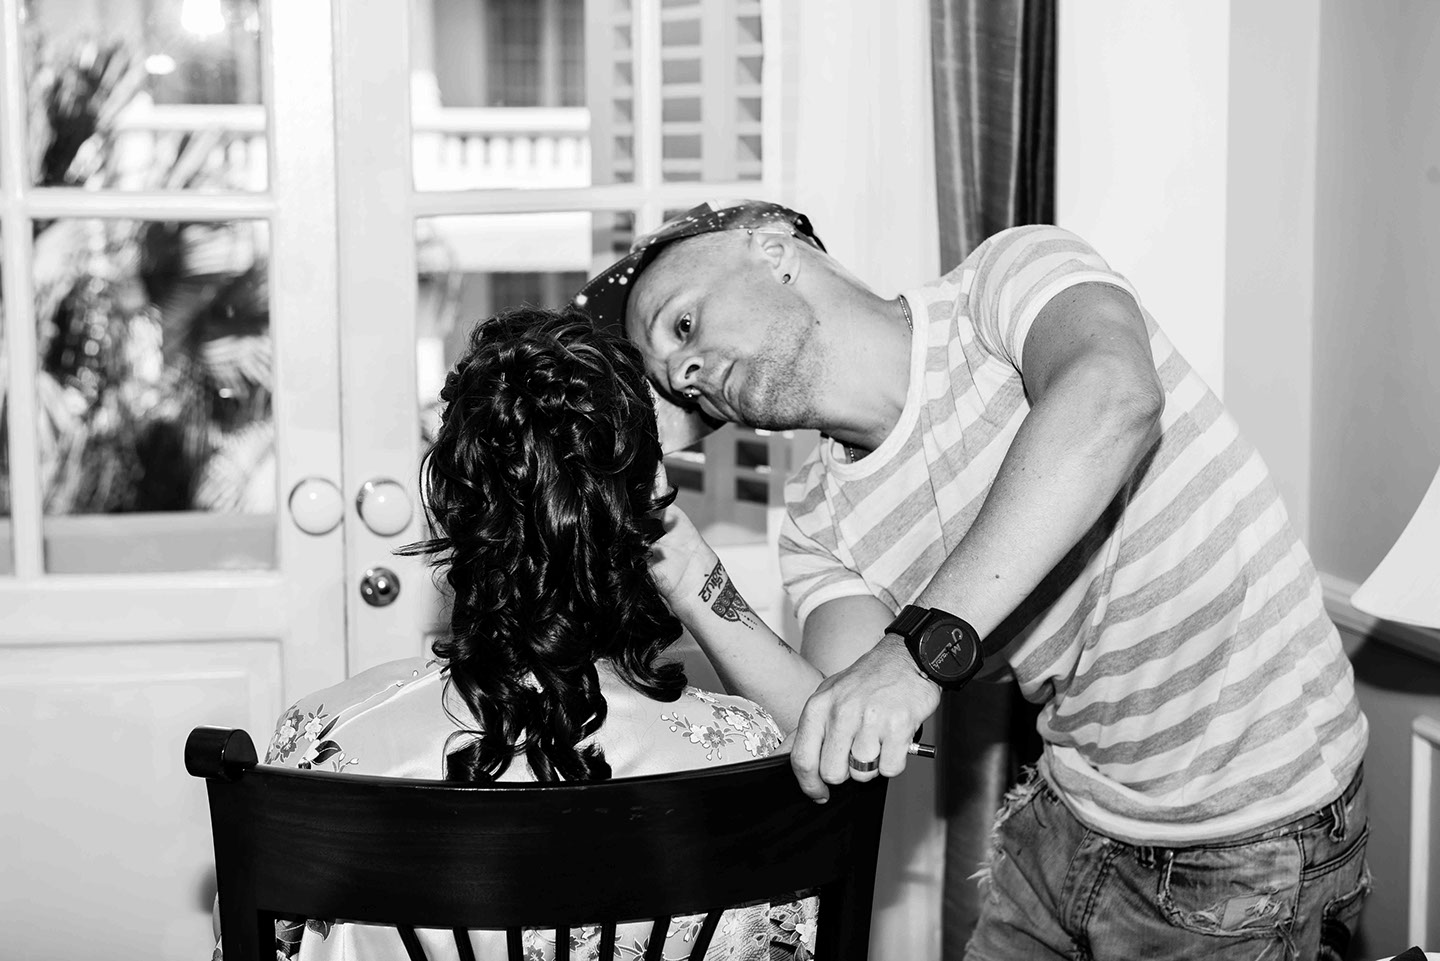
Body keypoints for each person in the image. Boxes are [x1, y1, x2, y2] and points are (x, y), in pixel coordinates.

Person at [575, 201, 1371, 958]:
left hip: (1250, 828)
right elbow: (832, 721)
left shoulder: (1004, 284)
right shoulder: (820, 519)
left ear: (773, 248)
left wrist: (914, 652)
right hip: (1073, 809)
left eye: (682, 324)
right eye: (672, 377)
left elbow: (1114, 396)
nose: (684, 370)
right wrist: (686, 566)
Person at [216, 307, 822, 961]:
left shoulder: (322, 743)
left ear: (450, 505)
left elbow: (253, 944)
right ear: (650, 495)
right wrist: (692, 568)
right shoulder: (744, 752)